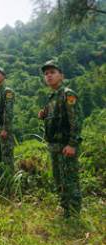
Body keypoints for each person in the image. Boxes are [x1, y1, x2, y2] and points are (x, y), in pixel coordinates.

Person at [38, 60, 83, 219]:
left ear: (61, 76)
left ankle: (75, 214)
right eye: (46, 73)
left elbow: (76, 121)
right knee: (58, 180)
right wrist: (44, 116)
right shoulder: (51, 98)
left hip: (66, 146)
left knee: (70, 180)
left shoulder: (67, 94)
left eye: (52, 72)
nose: (48, 75)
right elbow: (56, 121)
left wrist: (72, 144)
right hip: (54, 146)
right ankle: (66, 211)